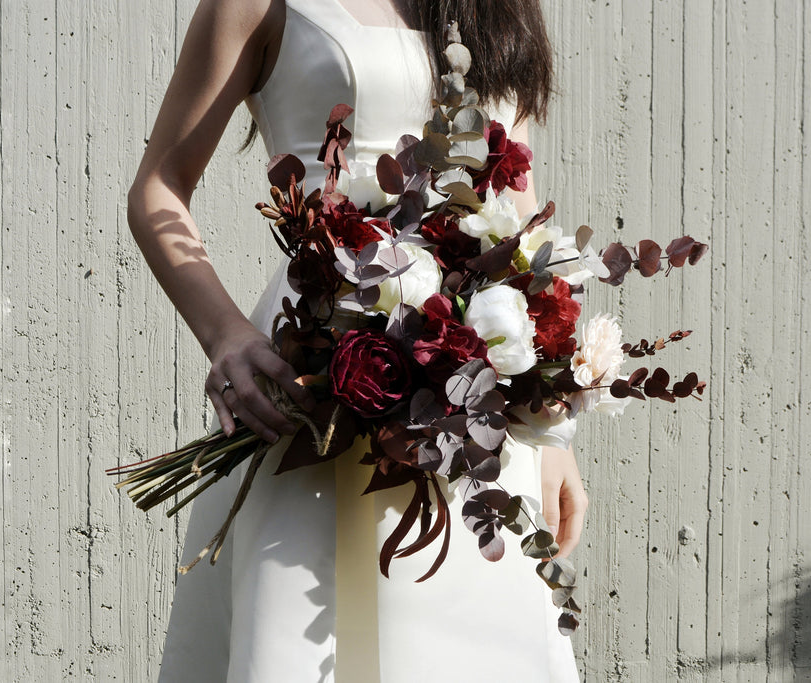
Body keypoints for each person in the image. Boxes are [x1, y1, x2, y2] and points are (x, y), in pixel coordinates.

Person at [127, 0, 587, 680]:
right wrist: (223, 333)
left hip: (477, 400)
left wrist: (554, 424)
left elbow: (517, 211)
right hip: (315, 382)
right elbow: (158, 185)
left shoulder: (497, 8)